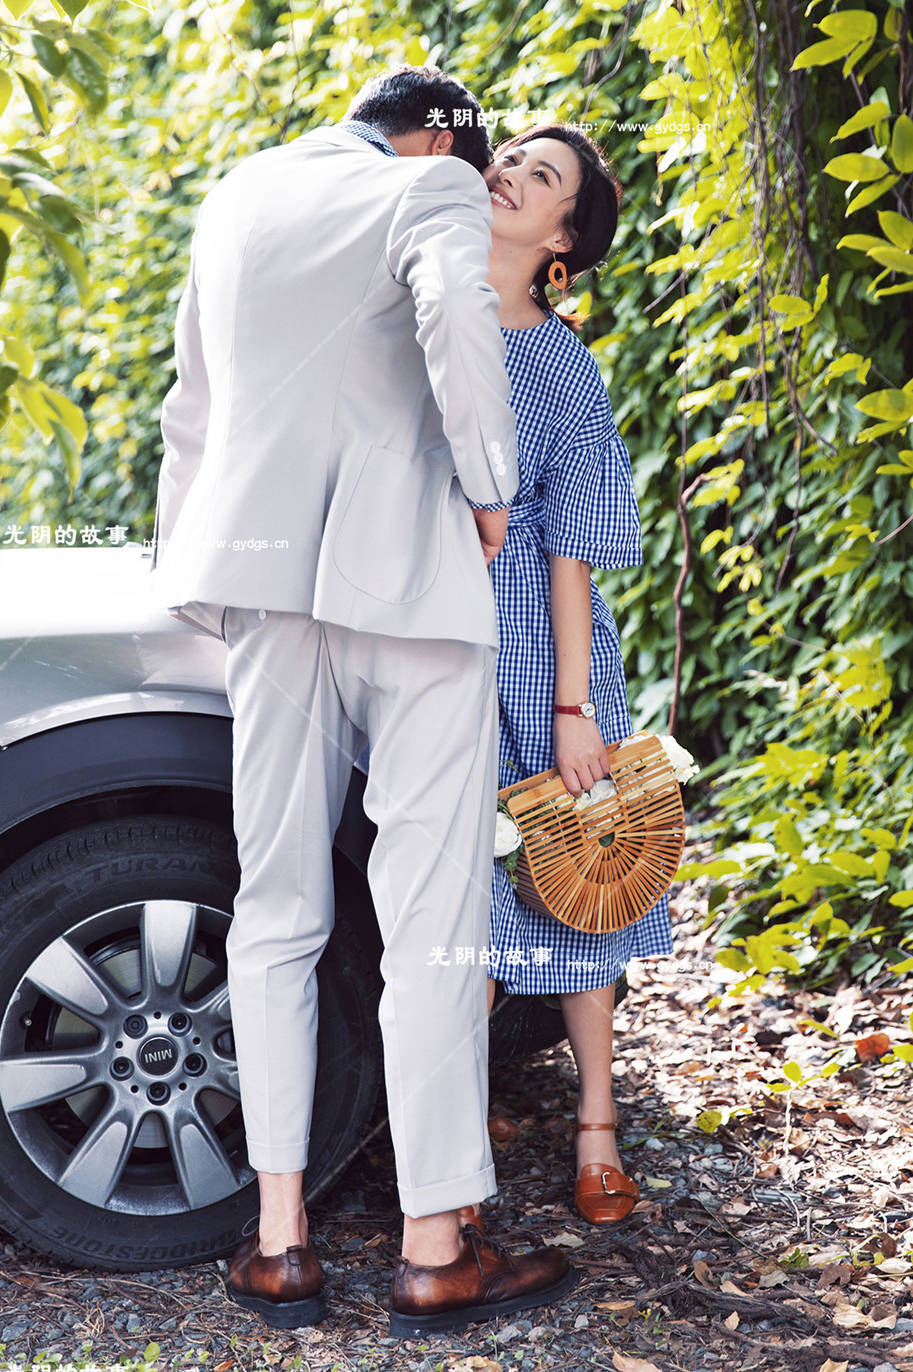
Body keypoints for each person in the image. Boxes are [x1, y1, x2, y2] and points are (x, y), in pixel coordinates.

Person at [151, 67, 576, 1335]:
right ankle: (435, 1247)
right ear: (442, 142)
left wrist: (192, 579)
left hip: (263, 596)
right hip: (410, 588)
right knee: (429, 916)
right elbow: (454, 313)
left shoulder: (235, 195)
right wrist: (490, 489)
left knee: (276, 909)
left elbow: (191, 409)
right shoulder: (428, 187)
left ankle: (279, 1241)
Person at [481, 124, 674, 1225]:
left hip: (539, 649)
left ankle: (597, 1124)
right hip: (422, 641)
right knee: (447, 891)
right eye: (511, 154)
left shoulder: (562, 363)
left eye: (540, 174)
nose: (509, 170)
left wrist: (572, 706)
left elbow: (570, 549)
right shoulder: (415, 316)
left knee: (577, 874)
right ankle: (455, 1125)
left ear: (563, 239)